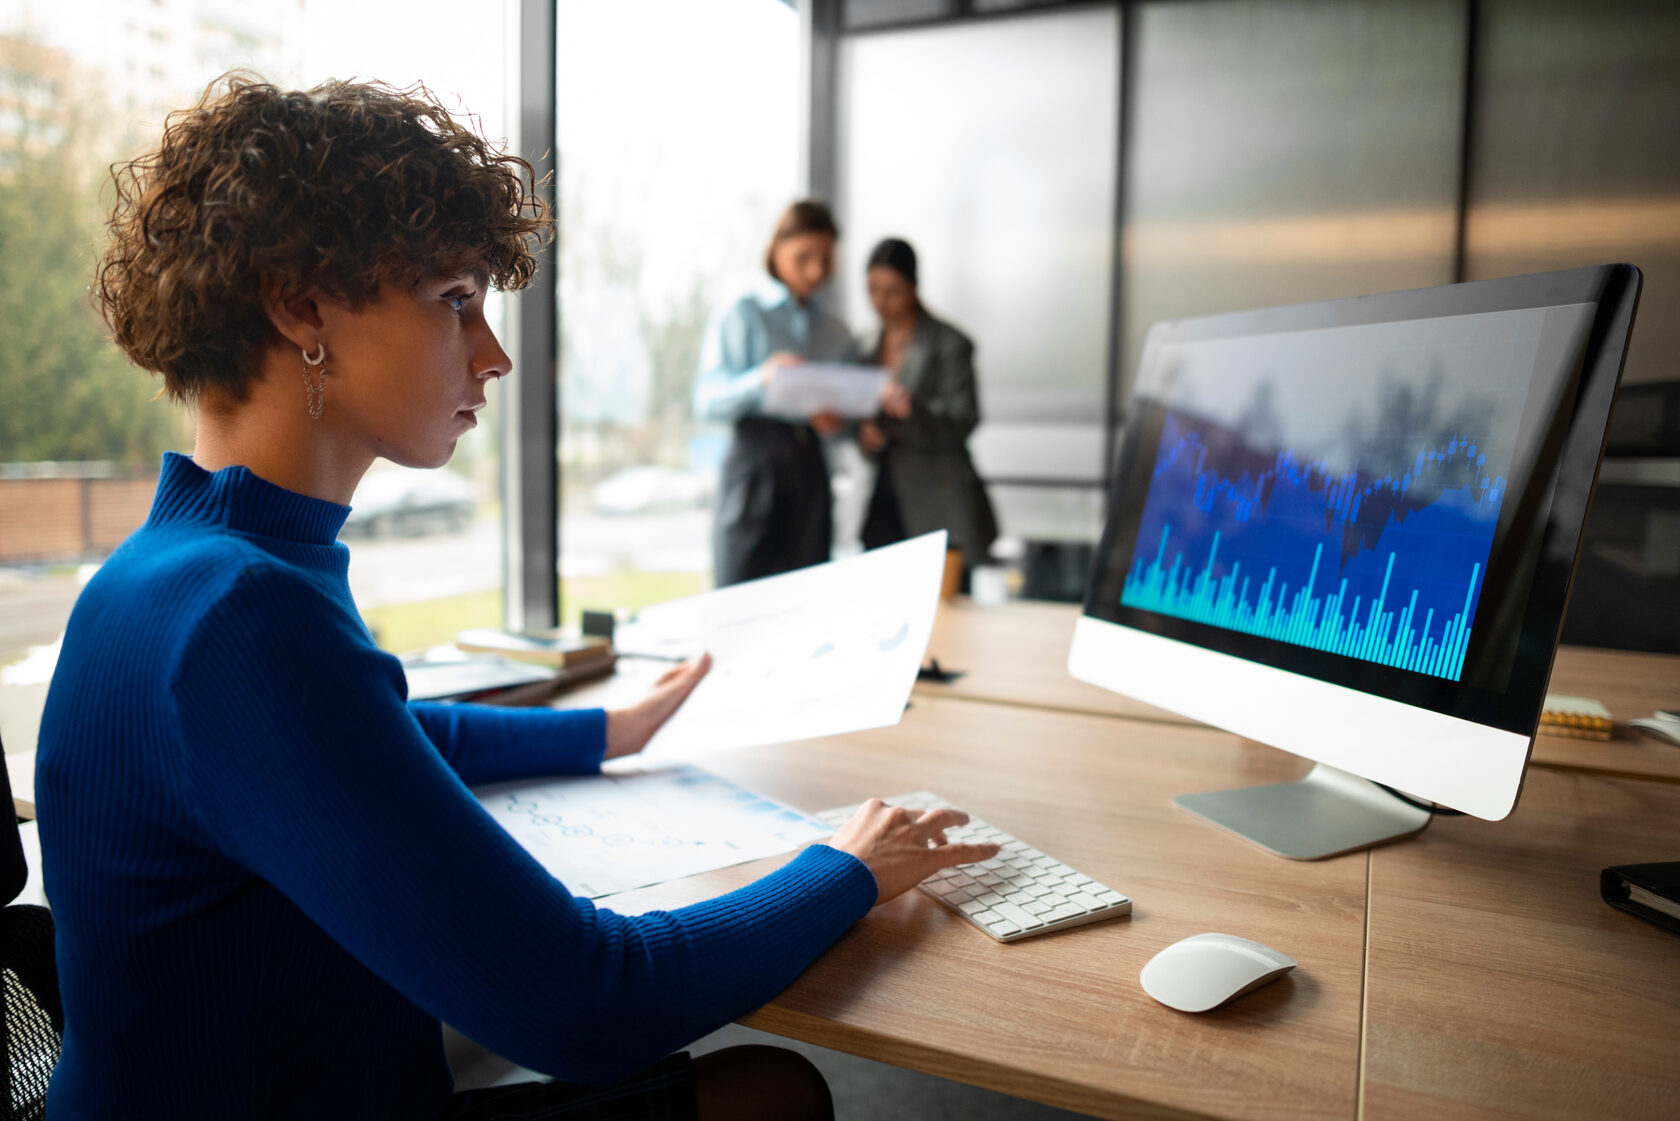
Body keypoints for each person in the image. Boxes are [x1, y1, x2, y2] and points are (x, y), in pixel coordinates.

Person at [35, 76, 999, 1121]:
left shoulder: (174, 565)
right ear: (301, 303)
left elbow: (371, 739)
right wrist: (847, 866)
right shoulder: (238, 615)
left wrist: (603, 730)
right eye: (455, 301)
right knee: (770, 1093)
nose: (491, 356)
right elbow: (587, 1003)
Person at [693, 200, 856, 586]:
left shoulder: (837, 332)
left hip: (811, 470)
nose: (816, 271)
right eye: (804, 257)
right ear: (776, 250)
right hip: (755, 467)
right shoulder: (743, 312)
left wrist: (838, 423)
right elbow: (707, 400)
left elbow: (849, 421)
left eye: (825, 259)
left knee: (807, 595)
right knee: (739, 592)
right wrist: (762, 377)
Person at [856, 239, 998, 573]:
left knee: (946, 616)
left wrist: (913, 412)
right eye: (873, 290)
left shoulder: (950, 343)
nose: (880, 302)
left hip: (937, 501)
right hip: (882, 501)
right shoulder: (864, 346)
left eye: (892, 291)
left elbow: (965, 420)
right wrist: (863, 435)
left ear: (913, 288)